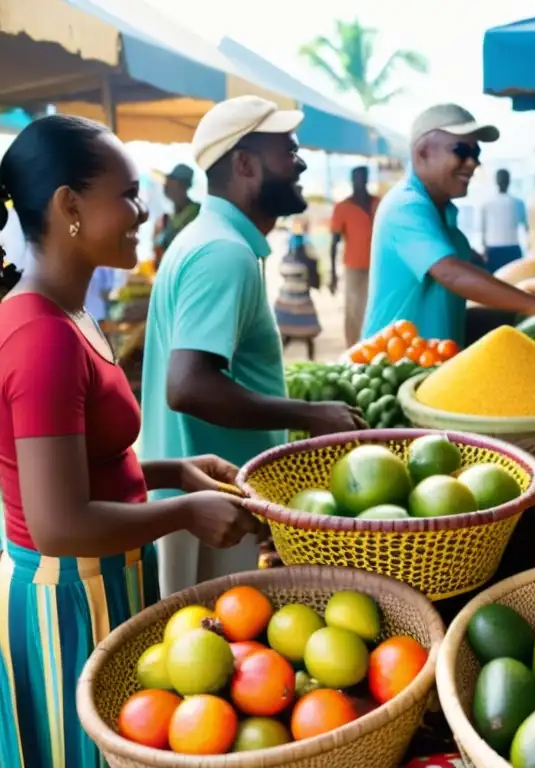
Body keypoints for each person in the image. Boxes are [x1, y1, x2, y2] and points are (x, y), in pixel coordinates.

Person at [0, 115, 257, 768]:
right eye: (129, 194)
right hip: (67, 596)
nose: (144, 211)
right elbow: (57, 522)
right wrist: (183, 513)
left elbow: (82, 465)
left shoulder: (72, 314)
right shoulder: (43, 339)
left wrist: (175, 471)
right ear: (70, 207)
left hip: (101, 574)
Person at [140, 96, 365, 598]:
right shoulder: (223, 253)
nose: (300, 161)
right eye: (287, 150)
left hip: (207, 497)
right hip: (206, 509)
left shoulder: (211, 239)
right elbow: (188, 386)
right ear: (244, 164)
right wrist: (310, 414)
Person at [362, 103, 535, 349]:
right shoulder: (406, 206)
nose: (472, 163)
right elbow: (451, 273)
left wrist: (519, 319)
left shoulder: (441, 212)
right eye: (461, 151)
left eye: (476, 153)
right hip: (392, 368)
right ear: (422, 152)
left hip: (432, 365)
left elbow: (451, 301)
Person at [330, 166, 378, 346]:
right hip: (353, 266)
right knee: (353, 310)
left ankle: (372, 345)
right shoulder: (343, 207)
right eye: (356, 178)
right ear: (352, 181)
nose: (360, 182)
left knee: (373, 307)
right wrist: (332, 274)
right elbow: (334, 242)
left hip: (377, 265)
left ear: (366, 179)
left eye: (363, 178)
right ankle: (352, 348)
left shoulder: (378, 203)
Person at [275, 218, 322, 359]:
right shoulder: (307, 245)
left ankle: (279, 359)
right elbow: (314, 264)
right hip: (301, 294)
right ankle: (311, 360)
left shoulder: (286, 244)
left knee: (287, 335)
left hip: (287, 295)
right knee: (307, 335)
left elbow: (281, 267)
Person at [153, 163, 200, 267]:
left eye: (170, 181)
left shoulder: (196, 213)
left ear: (182, 185)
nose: (165, 185)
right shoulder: (166, 219)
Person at [479, 168, 527, 273]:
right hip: (512, 249)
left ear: (496, 181)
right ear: (509, 181)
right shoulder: (518, 202)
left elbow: (482, 229)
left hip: (493, 249)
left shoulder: (486, 203)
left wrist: (484, 249)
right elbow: (526, 227)